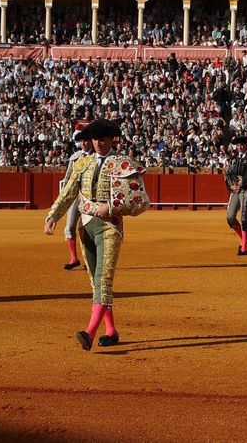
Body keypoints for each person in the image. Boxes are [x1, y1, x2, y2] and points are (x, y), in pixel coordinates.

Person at [44, 118, 145, 351]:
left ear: (111, 139)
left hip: (110, 227)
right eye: (95, 139)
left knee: (103, 279)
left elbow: (140, 200)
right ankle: (110, 331)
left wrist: (111, 208)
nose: (98, 143)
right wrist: (53, 215)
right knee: (95, 281)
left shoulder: (123, 163)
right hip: (86, 226)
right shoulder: (83, 163)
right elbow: (68, 192)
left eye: (102, 139)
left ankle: (89, 332)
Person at [60, 123, 93, 270]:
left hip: (91, 198)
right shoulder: (75, 157)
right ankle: (74, 258)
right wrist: (64, 195)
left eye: (86, 140)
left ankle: (90, 259)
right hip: (76, 196)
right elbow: (68, 178)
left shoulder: (96, 157)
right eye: (81, 141)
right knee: (69, 227)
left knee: (89, 229)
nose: (83, 144)